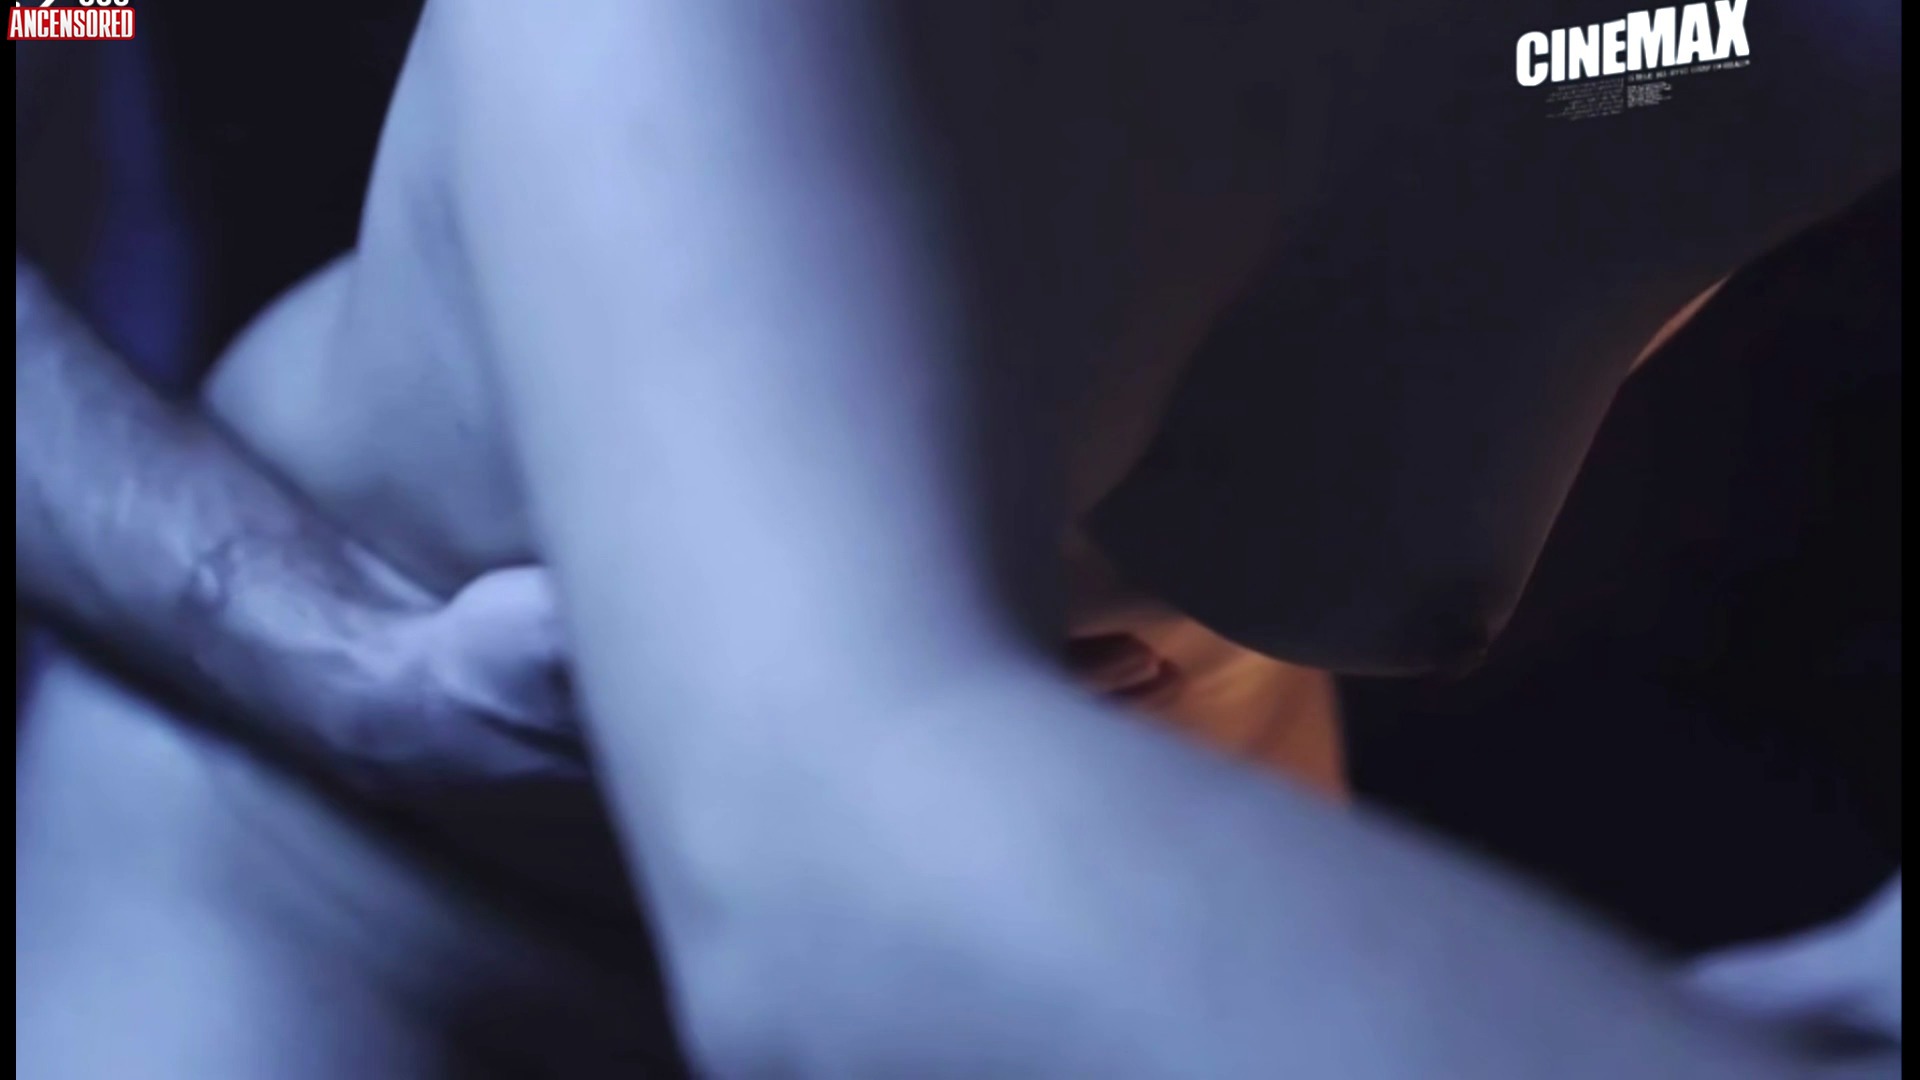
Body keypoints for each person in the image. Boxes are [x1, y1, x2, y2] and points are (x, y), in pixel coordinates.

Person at [14, 1, 1898, 1077]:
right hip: (347, 911)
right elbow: (847, 862)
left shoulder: (1667, 39)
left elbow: (1605, 66)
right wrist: (319, 647)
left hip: (1143, 929)